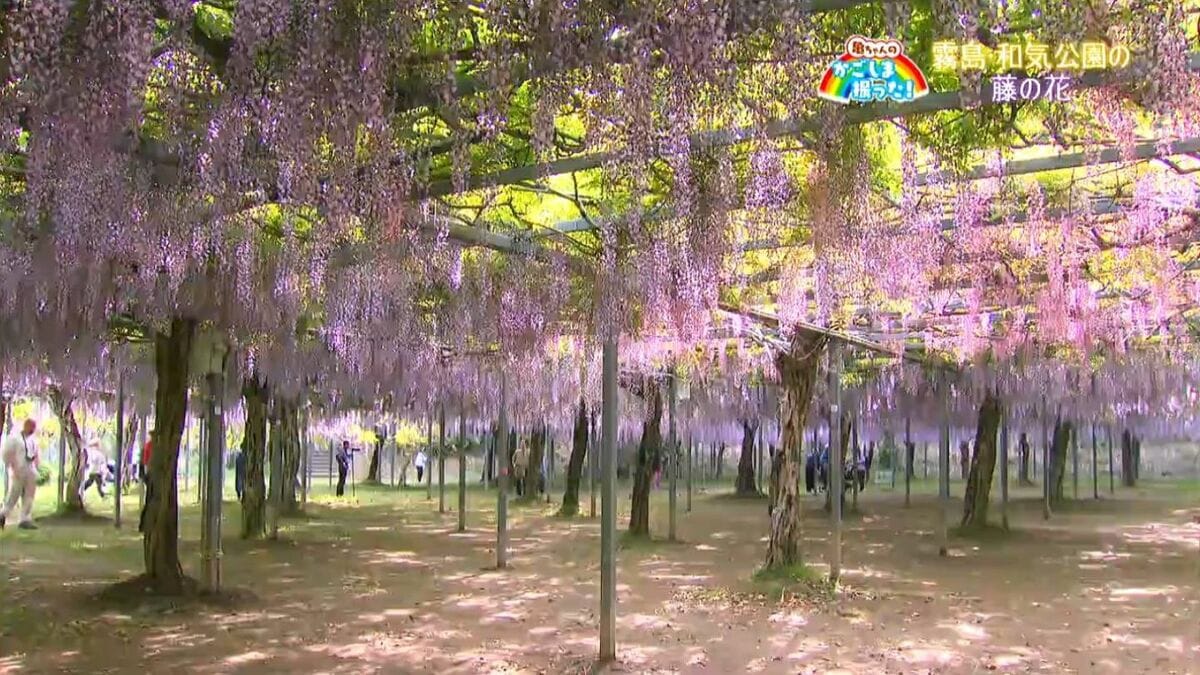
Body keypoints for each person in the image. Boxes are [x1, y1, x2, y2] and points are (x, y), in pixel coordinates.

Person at [0, 419, 40, 530]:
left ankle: (25, 519)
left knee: (29, 496)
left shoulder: (33, 440)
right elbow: (6, 453)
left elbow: (36, 454)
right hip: (19, 469)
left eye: (34, 427)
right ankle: (3, 514)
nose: (32, 430)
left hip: (30, 470)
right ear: (26, 426)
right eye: (31, 427)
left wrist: (38, 467)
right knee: (14, 495)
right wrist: (12, 466)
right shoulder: (15, 438)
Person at [138, 438, 153, 533]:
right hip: (150, 475)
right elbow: (145, 462)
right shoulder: (150, 446)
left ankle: (144, 524)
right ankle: (143, 524)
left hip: (149, 475)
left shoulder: (150, 446)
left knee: (150, 499)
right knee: (149, 500)